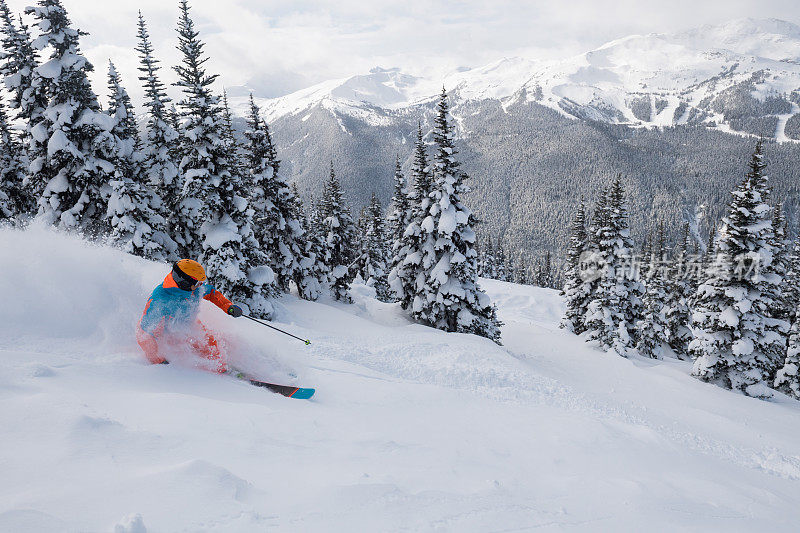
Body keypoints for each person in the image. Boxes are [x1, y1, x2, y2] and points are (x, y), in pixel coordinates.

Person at [136, 259, 243, 373]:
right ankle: (207, 374)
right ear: (184, 282)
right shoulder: (160, 299)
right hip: (168, 334)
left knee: (211, 344)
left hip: (190, 325)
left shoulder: (193, 289)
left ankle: (221, 368)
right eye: (198, 283)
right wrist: (157, 359)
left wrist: (228, 306)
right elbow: (144, 334)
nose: (201, 286)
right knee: (188, 349)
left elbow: (211, 293)